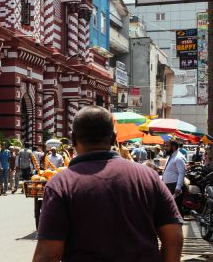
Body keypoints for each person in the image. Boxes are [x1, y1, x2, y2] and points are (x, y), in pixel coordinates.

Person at [32, 106, 184, 262]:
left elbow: (48, 255)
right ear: (114, 138)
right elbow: (174, 239)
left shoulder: (61, 184)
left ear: (73, 139)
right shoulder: (149, 177)